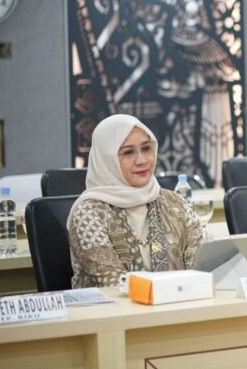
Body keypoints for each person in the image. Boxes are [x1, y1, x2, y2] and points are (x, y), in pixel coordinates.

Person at [67, 114, 202, 288]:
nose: (142, 160)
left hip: (178, 303)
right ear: (107, 160)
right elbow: (111, 282)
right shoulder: (89, 212)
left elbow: (202, 266)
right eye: (128, 152)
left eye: (146, 148)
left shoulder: (174, 203)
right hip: (115, 306)